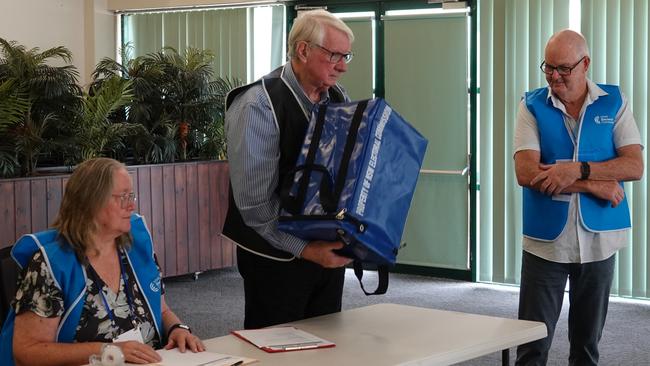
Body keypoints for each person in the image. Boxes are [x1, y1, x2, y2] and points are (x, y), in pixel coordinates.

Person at [513, 30, 644, 365]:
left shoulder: (614, 101)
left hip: (600, 238)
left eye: (564, 68)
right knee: (531, 345)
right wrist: (594, 184)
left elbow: (633, 165)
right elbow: (526, 173)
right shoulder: (530, 106)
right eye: (548, 67)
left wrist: (577, 171)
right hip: (545, 243)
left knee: (586, 346)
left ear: (585, 64)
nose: (554, 76)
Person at [0, 158, 205, 365]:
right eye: (123, 197)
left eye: (131, 195)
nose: (132, 205)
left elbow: (161, 310)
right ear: (91, 202)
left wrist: (178, 328)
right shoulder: (51, 264)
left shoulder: (136, 247)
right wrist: (107, 350)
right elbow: (27, 351)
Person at [222, 9, 354, 329]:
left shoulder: (338, 97)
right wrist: (307, 250)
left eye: (346, 56)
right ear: (303, 50)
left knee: (329, 348)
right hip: (273, 258)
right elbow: (256, 206)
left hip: (325, 252)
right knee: (277, 352)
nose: (342, 66)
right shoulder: (259, 104)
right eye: (334, 55)